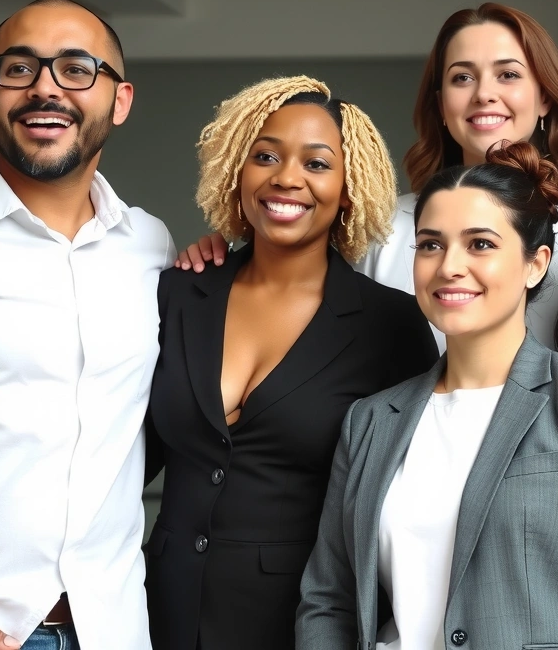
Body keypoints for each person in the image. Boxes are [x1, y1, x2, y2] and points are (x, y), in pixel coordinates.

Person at [295, 142, 558, 650]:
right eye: (430, 244)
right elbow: (328, 600)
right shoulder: (371, 420)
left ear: (536, 264)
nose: (449, 266)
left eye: (480, 244)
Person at [143, 76, 438, 650]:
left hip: (302, 623)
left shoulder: (391, 325)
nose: (287, 177)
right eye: (267, 156)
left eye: (317, 163)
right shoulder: (179, 295)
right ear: (237, 169)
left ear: (349, 187)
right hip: (158, 613)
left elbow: (408, 502)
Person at [0, 0, 175, 650]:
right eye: (20, 68)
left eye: (75, 69)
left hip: (114, 629)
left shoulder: (150, 246)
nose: (45, 87)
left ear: (119, 101)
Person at [176, 3, 558, 351]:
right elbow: (292, 283)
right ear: (441, 106)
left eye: (508, 74)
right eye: (462, 77)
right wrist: (223, 259)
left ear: (544, 97)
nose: (483, 93)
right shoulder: (386, 228)